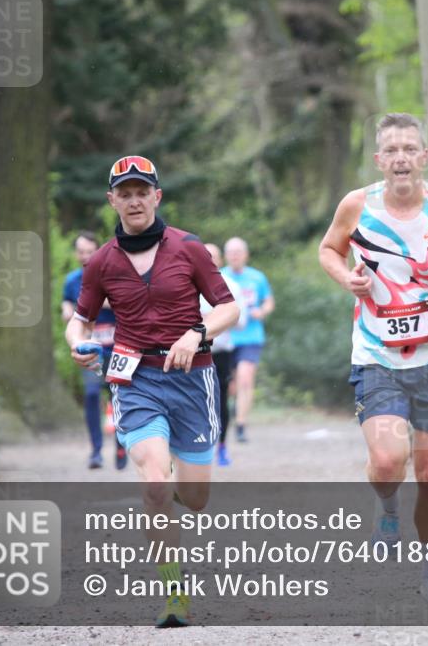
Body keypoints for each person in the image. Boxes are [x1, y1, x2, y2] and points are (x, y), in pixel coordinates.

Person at [318, 113, 428, 610]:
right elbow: (328, 250)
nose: (400, 157)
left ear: (424, 157)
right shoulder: (357, 205)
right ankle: (386, 505)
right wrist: (346, 280)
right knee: (386, 460)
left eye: (409, 149)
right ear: (379, 160)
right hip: (378, 355)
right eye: (391, 150)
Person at [65, 155, 239, 627]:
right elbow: (80, 319)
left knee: (196, 497)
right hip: (135, 377)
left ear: (157, 196)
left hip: (192, 378)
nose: (135, 200)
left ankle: (178, 499)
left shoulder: (188, 248)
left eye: (143, 191)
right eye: (125, 192)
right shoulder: (101, 261)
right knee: (155, 481)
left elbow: (228, 308)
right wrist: (76, 344)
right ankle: (174, 592)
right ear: (112, 201)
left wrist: (196, 334)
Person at [61, 231, 127, 470]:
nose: (85, 256)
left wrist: (96, 302)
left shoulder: (116, 275)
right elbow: (68, 304)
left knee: (120, 397)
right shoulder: (72, 280)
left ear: (99, 251)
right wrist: (68, 310)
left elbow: (127, 304)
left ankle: (122, 444)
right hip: (91, 347)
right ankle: (96, 451)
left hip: (118, 346)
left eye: (90, 251)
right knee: (90, 395)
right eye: (81, 252)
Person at [200, 242, 248, 467]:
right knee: (193, 401)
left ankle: (221, 446)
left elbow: (242, 321)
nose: (209, 260)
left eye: (214, 256)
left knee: (220, 401)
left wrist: (217, 319)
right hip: (193, 354)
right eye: (205, 255)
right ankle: (195, 447)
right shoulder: (186, 284)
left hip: (220, 353)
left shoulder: (231, 286)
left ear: (220, 260)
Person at [222, 236, 274, 443]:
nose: (235, 256)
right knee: (230, 385)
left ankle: (241, 424)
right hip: (225, 337)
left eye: (238, 252)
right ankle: (232, 410)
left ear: (246, 255)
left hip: (251, 336)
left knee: (245, 377)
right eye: (231, 252)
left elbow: (268, 301)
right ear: (226, 256)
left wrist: (262, 311)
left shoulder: (257, 277)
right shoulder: (219, 276)